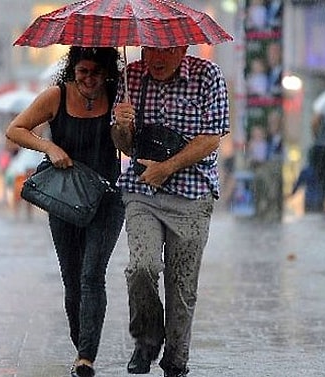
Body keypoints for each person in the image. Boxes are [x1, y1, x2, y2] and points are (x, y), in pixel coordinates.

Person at [5, 46, 125, 377]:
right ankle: (81, 345)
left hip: (108, 197)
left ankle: (86, 357)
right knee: (72, 282)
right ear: (73, 70)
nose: (89, 79)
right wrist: (50, 147)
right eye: (83, 71)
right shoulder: (55, 96)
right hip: (65, 198)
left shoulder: (119, 98)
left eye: (96, 73)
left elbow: (129, 147)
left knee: (91, 275)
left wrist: (126, 125)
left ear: (107, 73)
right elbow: (15, 129)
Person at [111, 46, 230, 377]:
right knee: (142, 268)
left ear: (183, 48)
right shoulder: (131, 76)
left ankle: (176, 359)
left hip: (192, 196)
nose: (156, 59)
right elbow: (123, 143)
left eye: (165, 51)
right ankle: (146, 340)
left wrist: (167, 167)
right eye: (150, 50)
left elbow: (211, 138)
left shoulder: (208, 77)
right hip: (142, 192)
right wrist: (122, 125)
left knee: (182, 286)